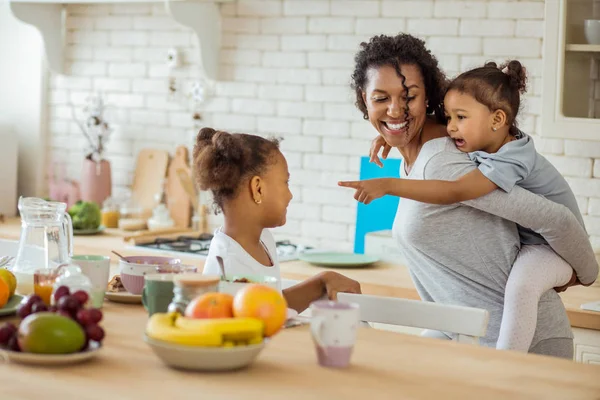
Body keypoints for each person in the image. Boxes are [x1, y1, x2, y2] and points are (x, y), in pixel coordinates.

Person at [340, 33, 598, 358]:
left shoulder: (442, 162)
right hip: (469, 337)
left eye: (409, 97)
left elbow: (555, 217)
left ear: (428, 97)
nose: (395, 109)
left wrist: (584, 273)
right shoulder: (418, 156)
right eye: (381, 98)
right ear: (364, 99)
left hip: (526, 346)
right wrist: (390, 135)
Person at [194, 127, 361, 313]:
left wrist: (322, 281)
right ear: (258, 188)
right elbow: (262, 323)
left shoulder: (262, 240)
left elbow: (272, 305)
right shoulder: (228, 268)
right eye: (285, 183)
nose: (290, 195)